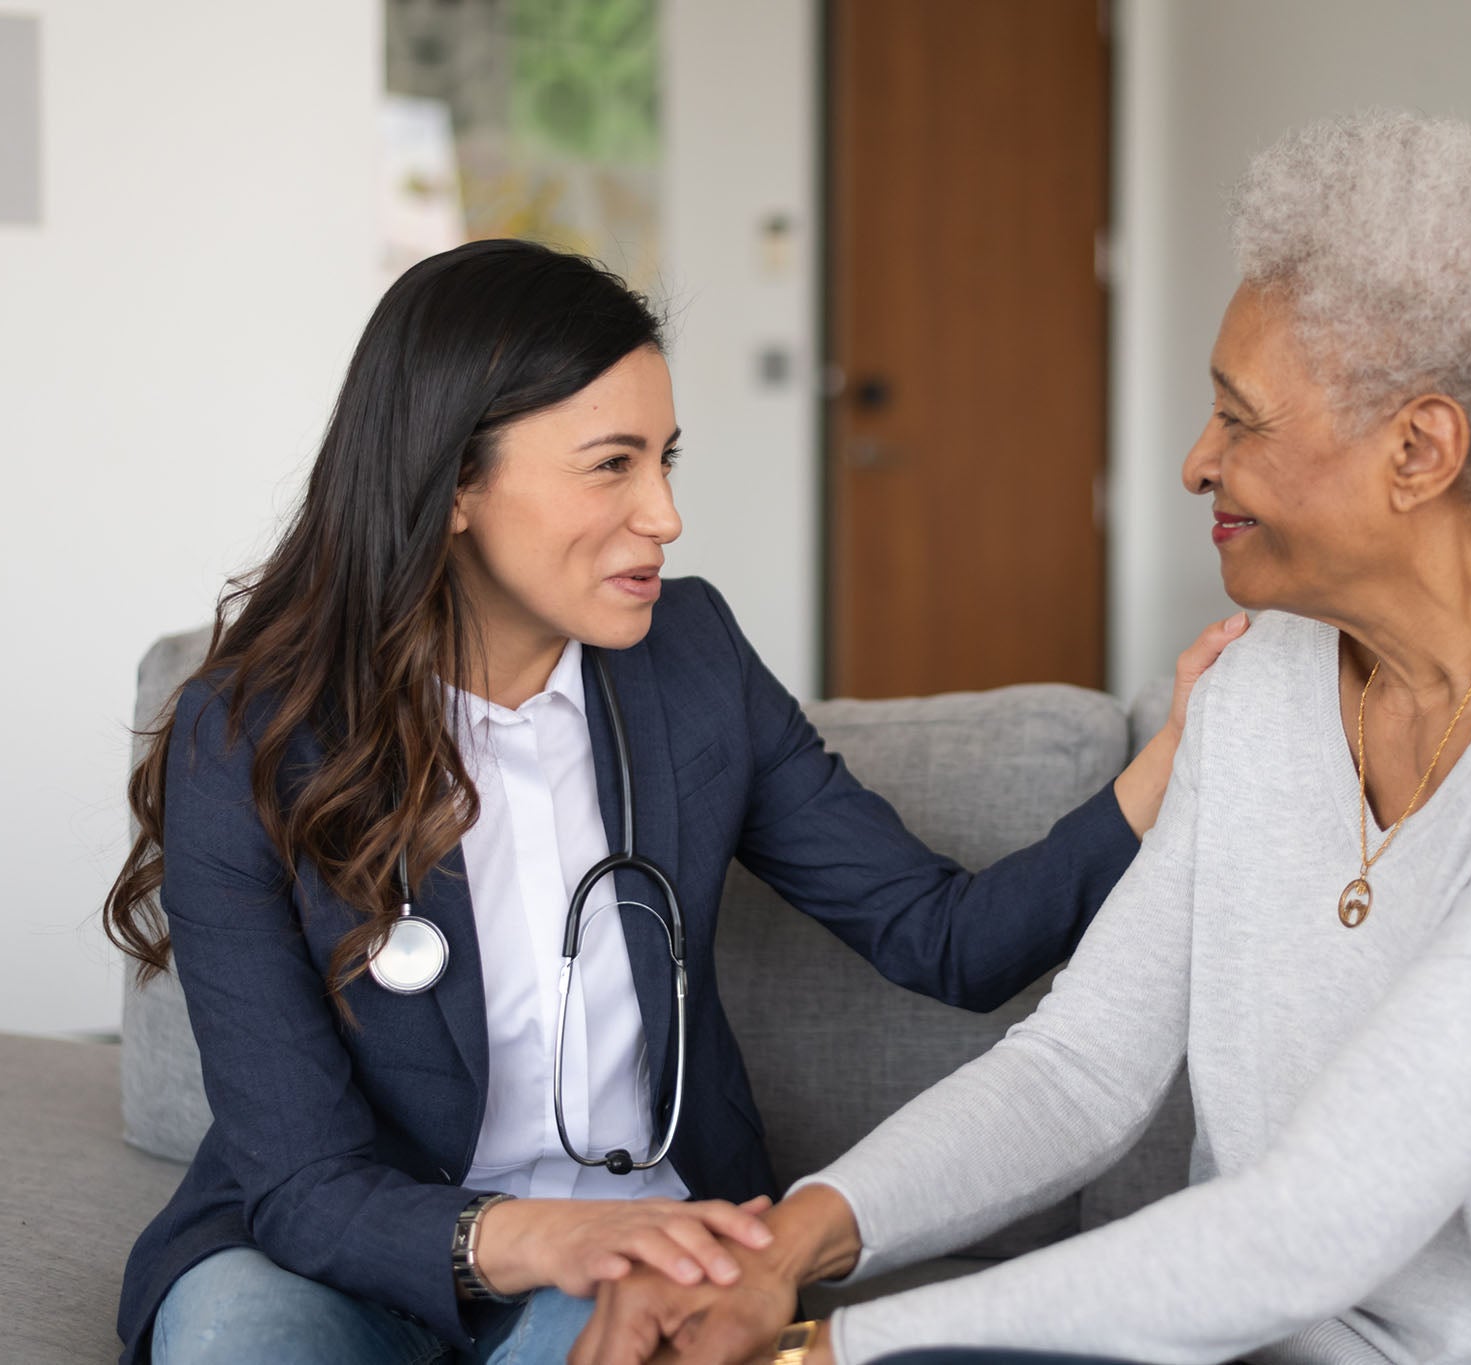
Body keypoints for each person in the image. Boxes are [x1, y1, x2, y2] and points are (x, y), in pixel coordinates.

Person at [567, 110, 1471, 1365]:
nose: (1194, 463)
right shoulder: (1263, 686)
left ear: (1418, 449)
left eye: (1239, 419)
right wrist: (783, 1253)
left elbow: (1317, 1225)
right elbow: (1076, 1070)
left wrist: (827, 1356)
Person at [102, 239, 1241, 1365]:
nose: (663, 515)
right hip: (332, 1258)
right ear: (453, 484)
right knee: (236, 1341)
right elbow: (301, 1186)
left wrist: (1163, 765)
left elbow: (945, 941)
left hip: (627, 1257)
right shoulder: (252, 737)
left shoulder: (688, 663)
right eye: (611, 465)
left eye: (666, 460)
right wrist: (535, 1237)